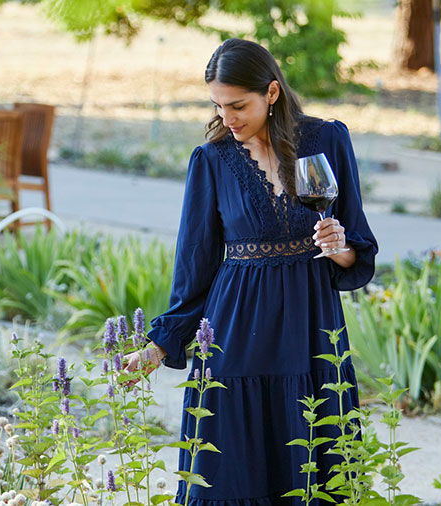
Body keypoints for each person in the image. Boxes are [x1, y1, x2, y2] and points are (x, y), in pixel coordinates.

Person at [122, 38, 378, 504]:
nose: (227, 118)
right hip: (234, 333)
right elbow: (195, 269)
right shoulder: (212, 161)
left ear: (272, 93)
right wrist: (158, 346)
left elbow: (357, 248)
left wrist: (337, 245)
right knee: (228, 470)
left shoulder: (327, 141)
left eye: (238, 105)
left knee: (315, 461)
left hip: (310, 328)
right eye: (218, 106)